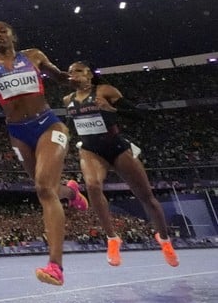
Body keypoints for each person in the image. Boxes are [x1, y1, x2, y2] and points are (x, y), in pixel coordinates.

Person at [0, 21, 87, 286]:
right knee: (48, 189)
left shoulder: (34, 56)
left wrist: (74, 78)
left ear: (12, 36)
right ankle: (72, 192)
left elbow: (58, 77)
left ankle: (55, 266)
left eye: (2, 31)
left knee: (44, 188)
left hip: (48, 124)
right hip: (18, 133)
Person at [64, 61, 178, 267]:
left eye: (79, 71)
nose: (74, 75)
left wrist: (112, 110)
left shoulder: (106, 90)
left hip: (117, 147)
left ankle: (164, 239)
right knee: (92, 186)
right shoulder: (68, 100)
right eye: (70, 72)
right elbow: (73, 126)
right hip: (90, 150)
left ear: (89, 74)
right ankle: (112, 238)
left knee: (147, 198)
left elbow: (141, 116)